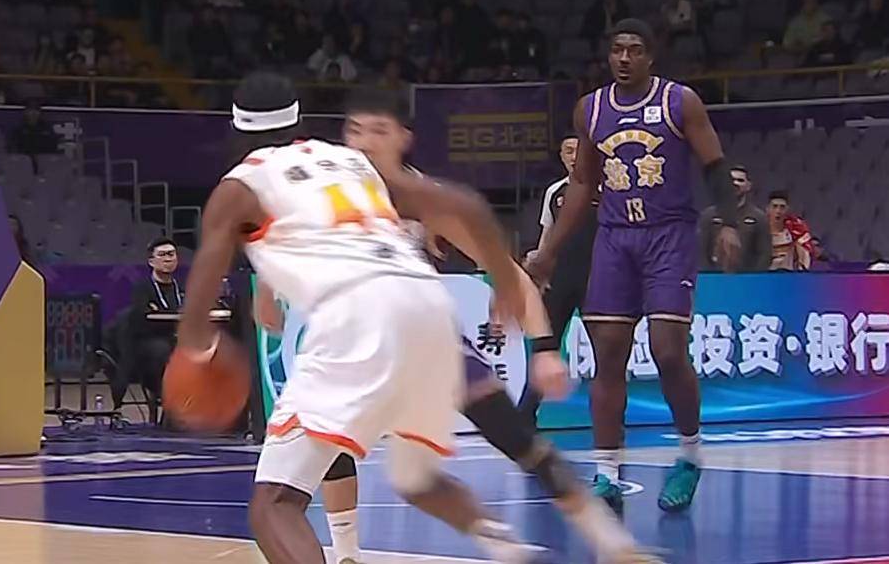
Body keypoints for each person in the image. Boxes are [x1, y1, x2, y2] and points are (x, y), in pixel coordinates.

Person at [254, 90, 655, 564]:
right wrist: (267, 291)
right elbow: (275, 241)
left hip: (419, 338)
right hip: (356, 337)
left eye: (379, 131)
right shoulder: (327, 185)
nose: (364, 142)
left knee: (517, 441)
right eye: (355, 131)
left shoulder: (422, 196)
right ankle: (358, 552)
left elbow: (508, 271)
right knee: (377, 467)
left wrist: (545, 346)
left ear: (403, 138)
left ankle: (613, 543)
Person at [176, 72, 536, 564]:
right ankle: (506, 545)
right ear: (299, 120)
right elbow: (463, 203)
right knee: (416, 479)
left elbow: (201, 299)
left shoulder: (240, 186)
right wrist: (506, 280)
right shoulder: (351, 161)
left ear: (237, 128)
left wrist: (198, 349)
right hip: (430, 308)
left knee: (275, 502)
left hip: (356, 318)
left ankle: (353, 550)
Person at [528, 19, 742, 513]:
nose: (624, 58)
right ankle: (607, 471)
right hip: (614, 237)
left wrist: (728, 223)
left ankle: (690, 454)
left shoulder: (679, 102)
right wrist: (549, 250)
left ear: (651, 56)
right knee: (607, 353)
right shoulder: (591, 109)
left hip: (668, 234)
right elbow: (583, 184)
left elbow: (714, 166)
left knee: (667, 350)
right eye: (617, 49)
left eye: (635, 50)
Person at [518, 134, 599, 424]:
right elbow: (548, 235)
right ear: (562, 157)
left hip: (597, 280)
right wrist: (540, 267)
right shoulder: (555, 192)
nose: (574, 156)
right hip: (560, 280)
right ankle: (524, 420)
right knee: (544, 347)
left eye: (579, 150)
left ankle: (610, 421)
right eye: (568, 151)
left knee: (607, 354)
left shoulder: (606, 187)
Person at [113, 238, 183, 410]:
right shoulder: (142, 288)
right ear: (151, 261)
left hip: (176, 338)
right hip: (147, 343)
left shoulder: (181, 288)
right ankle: (168, 397)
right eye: (162, 255)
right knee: (162, 350)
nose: (168, 259)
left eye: (171, 254)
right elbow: (143, 319)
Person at [699, 165, 771, 272]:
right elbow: (701, 252)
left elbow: (765, 254)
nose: (735, 183)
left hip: (747, 278)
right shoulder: (708, 215)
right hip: (713, 278)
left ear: (748, 186)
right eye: (731, 180)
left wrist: (754, 277)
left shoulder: (759, 217)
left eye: (740, 180)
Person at [767, 190, 813, 271]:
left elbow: (804, 258)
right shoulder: (759, 229)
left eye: (782, 207)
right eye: (774, 206)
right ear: (767, 209)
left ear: (787, 210)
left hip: (787, 274)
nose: (778, 211)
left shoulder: (796, 230)